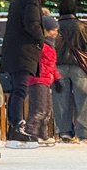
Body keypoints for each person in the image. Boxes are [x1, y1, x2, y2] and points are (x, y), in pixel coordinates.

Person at [0, 0, 54, 144]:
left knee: (18, 89)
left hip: (17, 50)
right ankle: (16, 128)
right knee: (20, 90)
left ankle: (15, 127)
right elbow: (31, 23)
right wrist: (41, 39)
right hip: (22, 50)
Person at [54, 0, 87, 143]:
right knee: (82, 99)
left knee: (61, 100)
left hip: (58, 66)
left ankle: (65, 132)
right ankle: (85, 133)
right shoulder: (82, 26)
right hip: (79, 66)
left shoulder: (55, 27)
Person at [24, 15, 61, 145]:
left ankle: (42, 134)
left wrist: (57, 79)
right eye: (52, 30)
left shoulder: (50, 45)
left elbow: (52, 64)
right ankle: (30, 133)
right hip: (37, 80)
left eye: (56, 29)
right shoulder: (40, 45)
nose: (55, 32)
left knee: (47, 110)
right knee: (39, 109)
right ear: (45, 30)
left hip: (46, 81)